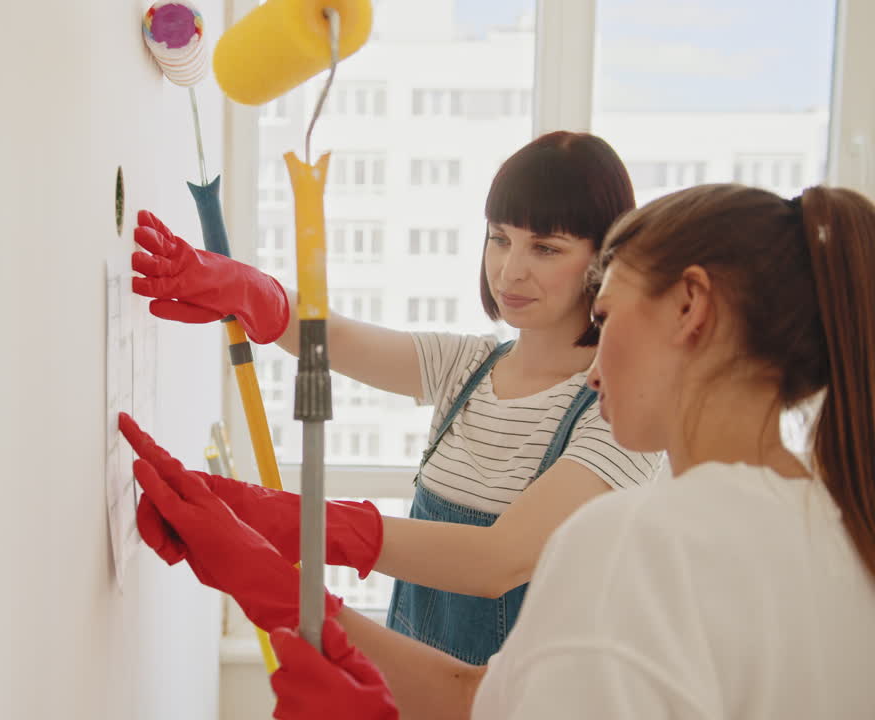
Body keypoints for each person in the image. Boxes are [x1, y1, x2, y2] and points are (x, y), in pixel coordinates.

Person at [195, 181, 875, 719]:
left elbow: (496, 569)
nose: (595, 362)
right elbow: (478, 701)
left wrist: (308, 536)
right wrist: (293, 596)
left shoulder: (633, 543)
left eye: (604, 316)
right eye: (498, 238)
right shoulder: (847, 538)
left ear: (690, 306)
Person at [129, 130, 660, 661]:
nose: (510, 269)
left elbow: (497, 561)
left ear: (603, 261)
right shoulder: (468, 368)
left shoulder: (620, 416)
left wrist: (309, 525)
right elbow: (334, 339)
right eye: (500, 238)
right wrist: (247, 291)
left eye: (545, 248)